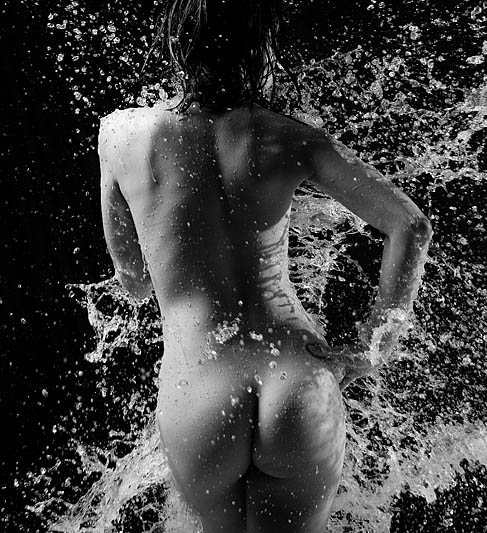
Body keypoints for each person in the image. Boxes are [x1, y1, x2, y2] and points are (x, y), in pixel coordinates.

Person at [98, 1, 432, 531]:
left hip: (198, 391)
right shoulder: (289, 136)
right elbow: (410, 225)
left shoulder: (120, 137)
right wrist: (375, 345)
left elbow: (134, 281)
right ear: (261, 50)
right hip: (296, 381)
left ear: (175, 40)